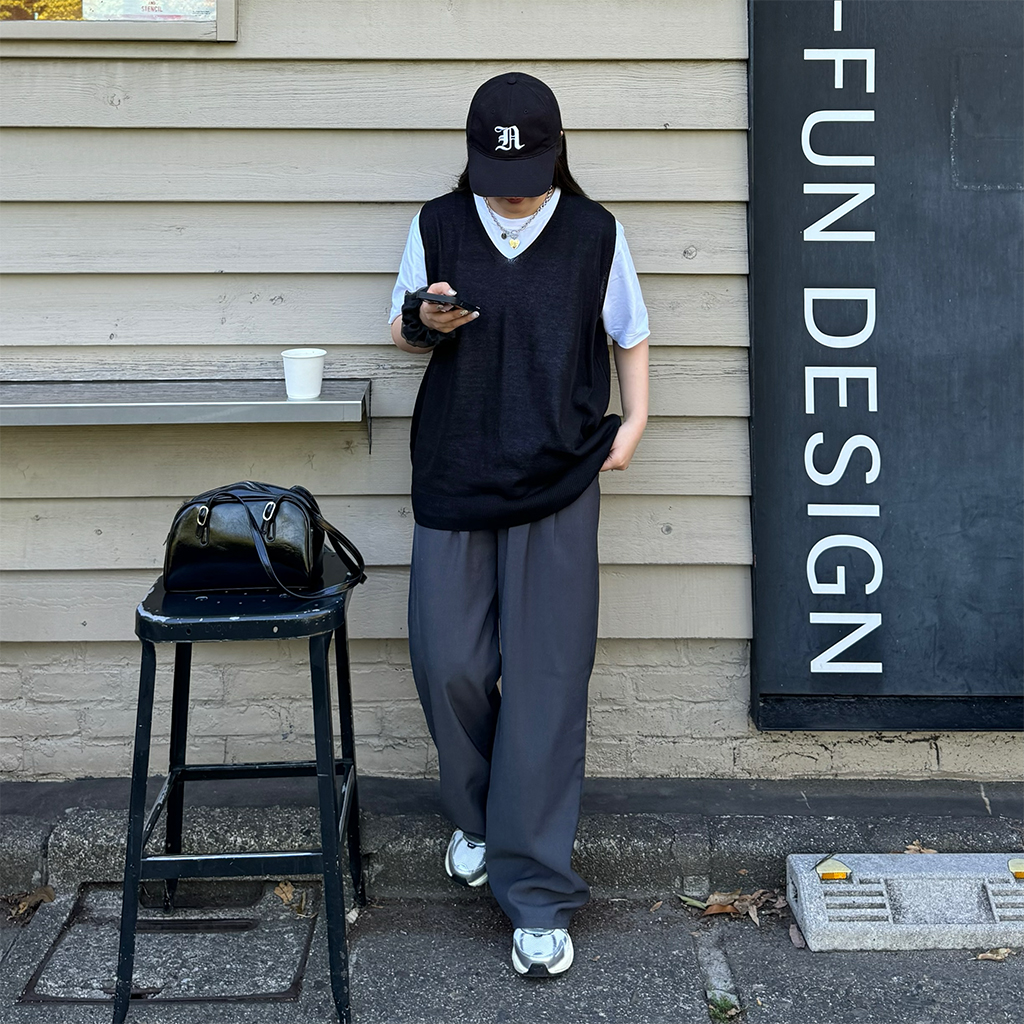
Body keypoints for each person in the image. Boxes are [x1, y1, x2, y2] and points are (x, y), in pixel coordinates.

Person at [387, 72, 650, 977]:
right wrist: (427, 320)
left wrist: (635, 423)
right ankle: (479, 816)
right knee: (449, 663)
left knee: (546, 684)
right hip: (454, 472)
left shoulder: (594, 232)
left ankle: (537, 893)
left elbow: (629, 332)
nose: (511, 192)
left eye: (528, 176)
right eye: (497, 176)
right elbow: (401, 329)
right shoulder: (438, 223)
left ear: (555, 156)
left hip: (559, 476)